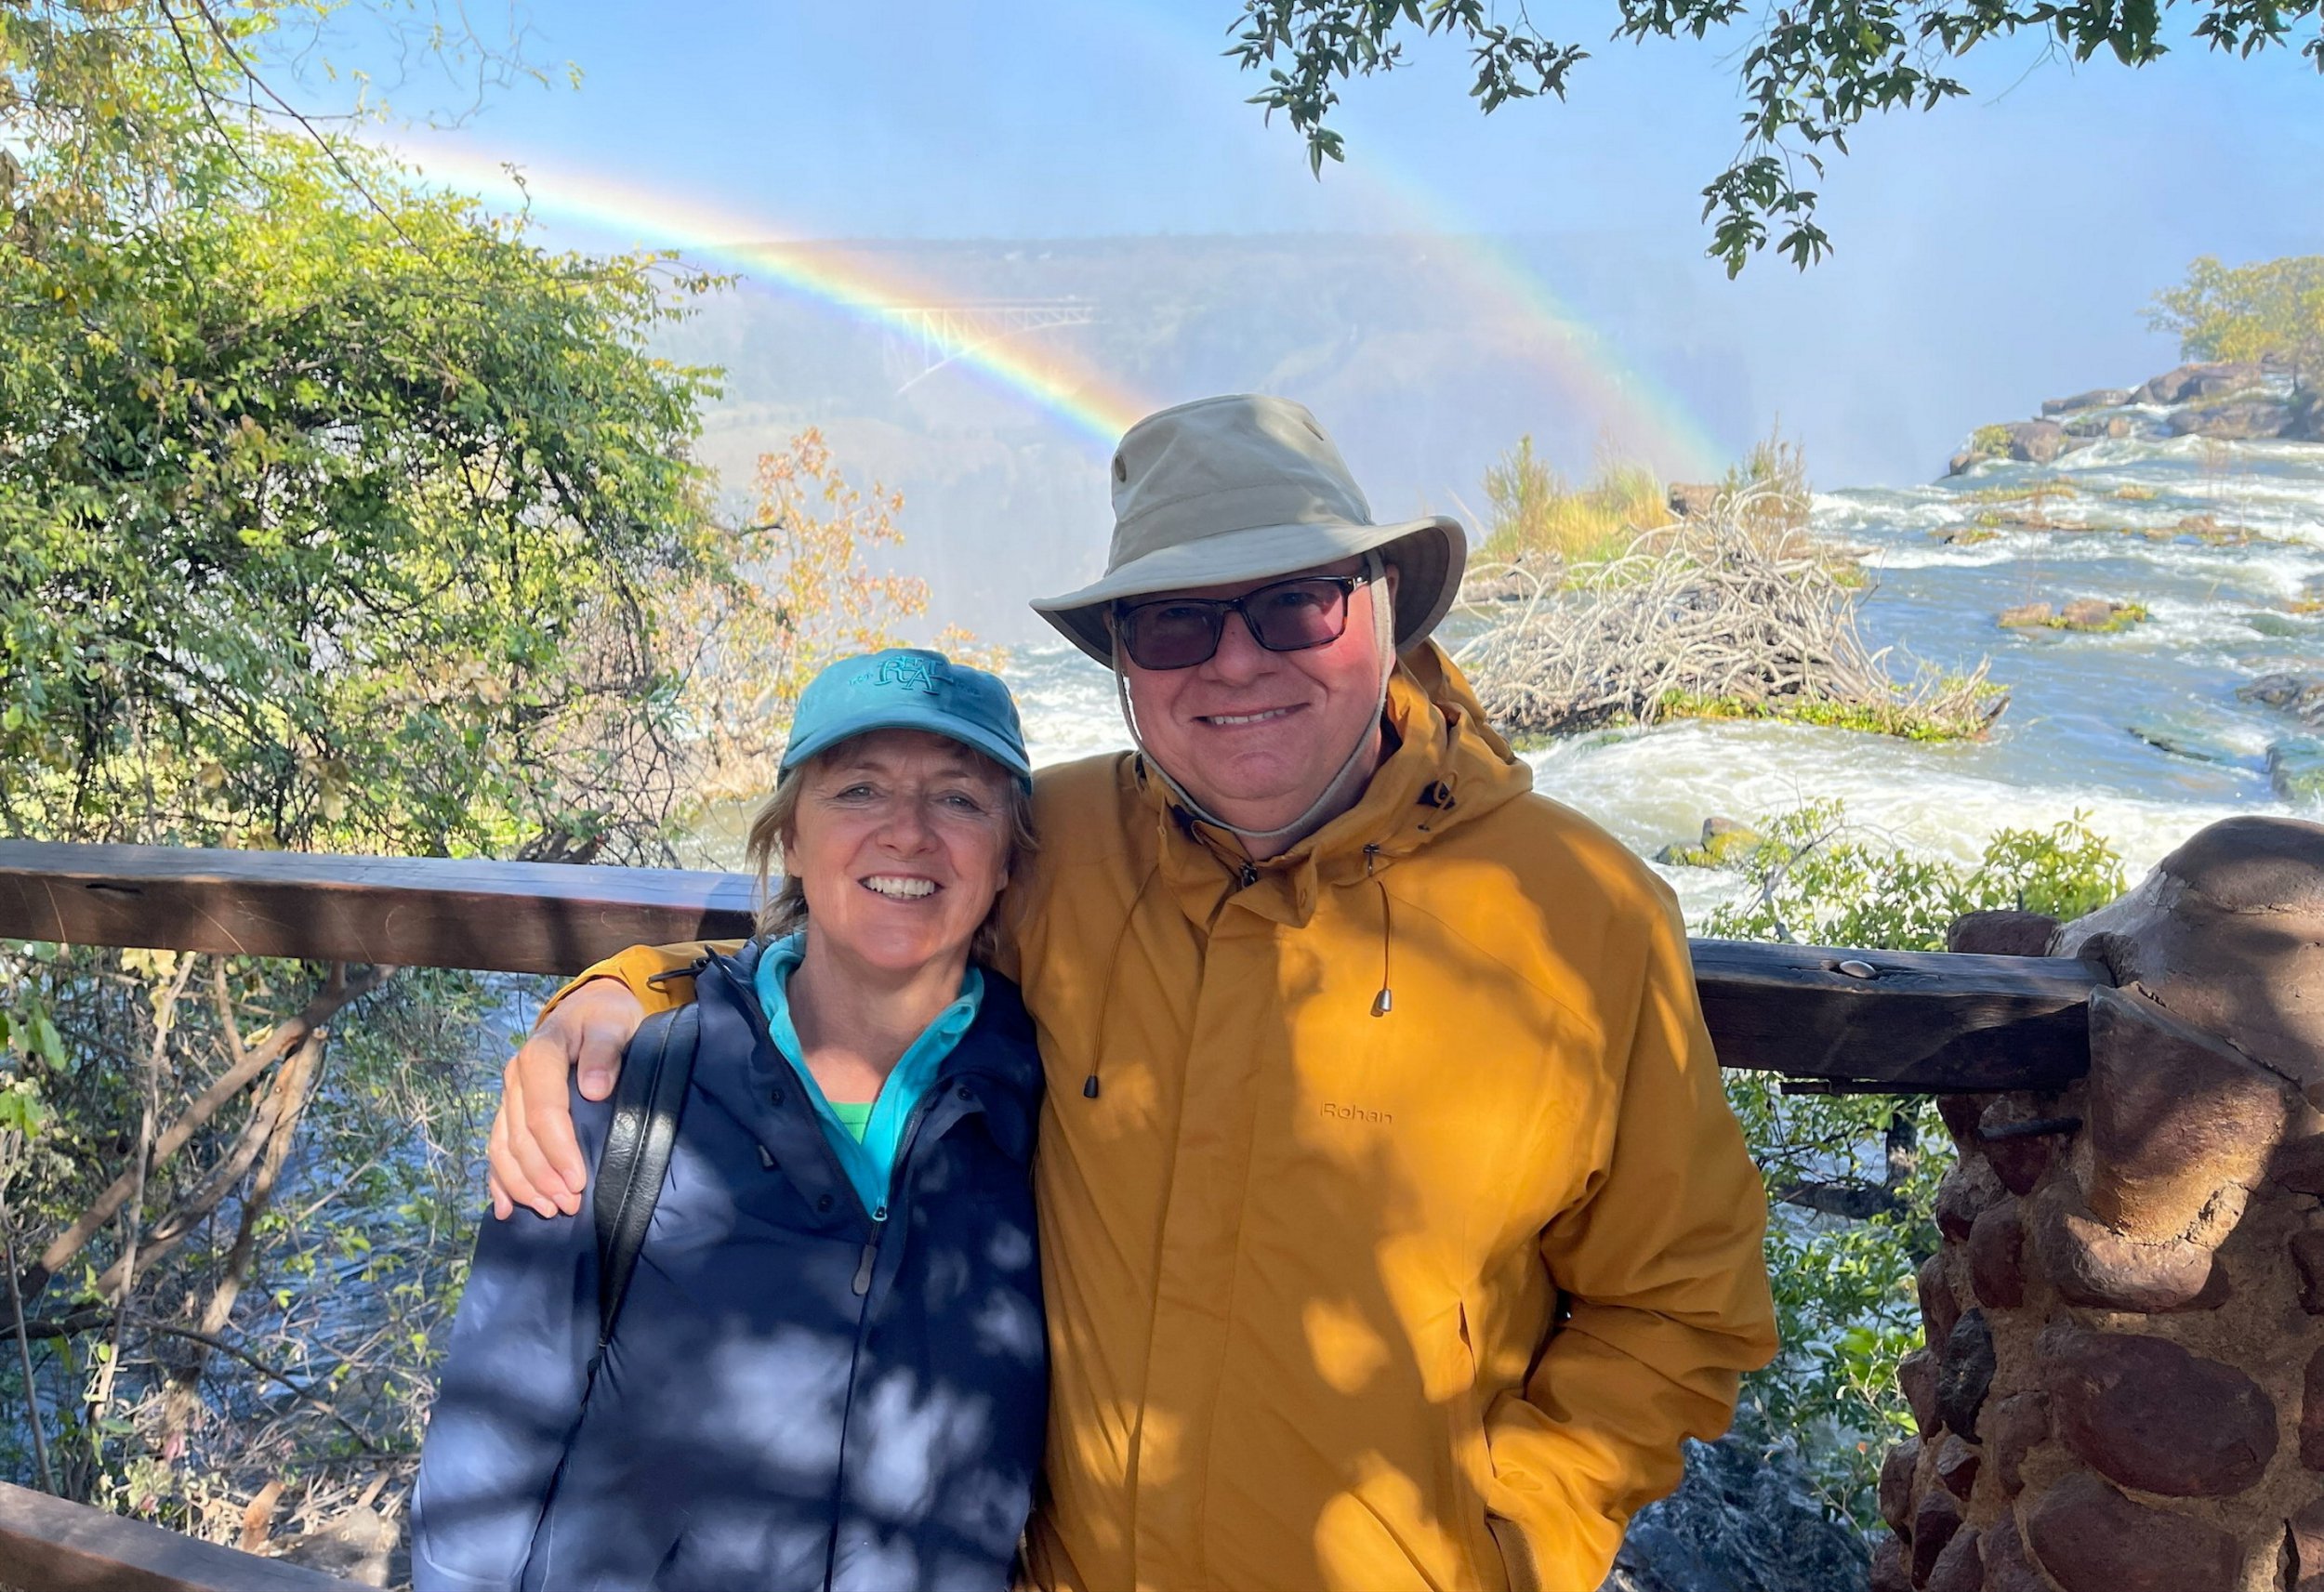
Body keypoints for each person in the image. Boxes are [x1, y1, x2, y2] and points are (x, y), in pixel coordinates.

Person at [486, 396, 1778, 1592]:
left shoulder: (1581, 915)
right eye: (1173, 621)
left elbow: (1680, 1305)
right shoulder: (1059, 844)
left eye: (1296, 604)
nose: (1234, 662)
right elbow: (852, 931)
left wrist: (1510, 1538)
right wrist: (622, 994)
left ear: (1384, 606)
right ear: (1121, 657)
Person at [411, 649, 1048, 1592]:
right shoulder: (624, 1086)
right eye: (859, 790)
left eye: (959, 798)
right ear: (790, 836)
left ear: (1007, 859)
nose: (908, 833)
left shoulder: (1052, 1105)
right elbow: (488, 1455)